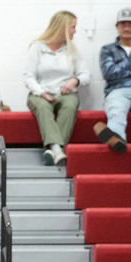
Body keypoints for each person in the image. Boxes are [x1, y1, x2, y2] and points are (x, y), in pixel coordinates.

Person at [24, 11, 90, 165]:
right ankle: (58, 149)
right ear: (63, 28)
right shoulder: (37, 47)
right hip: (40, 93)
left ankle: (51, 149)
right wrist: (41, 92)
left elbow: (85, 74)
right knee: (43, 107)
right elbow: (28, 76)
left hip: (65, 94)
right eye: (73, 27)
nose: (75, 31)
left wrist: (75, 80)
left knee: (70, 105)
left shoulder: (72, 49)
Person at [94, 7, 131, 153]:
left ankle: (109, 134)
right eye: (123, 24)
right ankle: (117, 140)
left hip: (119, 84)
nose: (127, 28)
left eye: (130, 23)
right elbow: (109, 74)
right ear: (117, 27)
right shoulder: (107, 50)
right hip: (118, 90)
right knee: (116, 111)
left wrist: (121, 67)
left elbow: (116, 71)